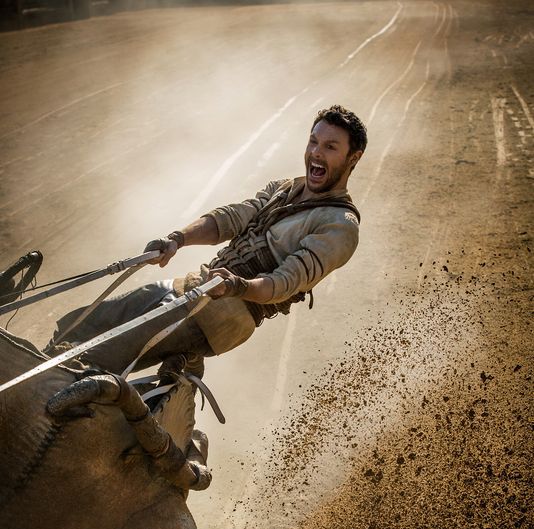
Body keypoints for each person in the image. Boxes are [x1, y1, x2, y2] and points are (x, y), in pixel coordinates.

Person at [49, 105, 367, 377]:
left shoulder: (340, 226)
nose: (316, 152)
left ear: (353, 157)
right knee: (78, 326)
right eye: (313, 141)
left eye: (330, 147)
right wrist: (177, 239)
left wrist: (237, 286)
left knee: (94, 355)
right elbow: (231, 219)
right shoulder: (284, 187)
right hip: (191, 286)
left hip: (225, 315)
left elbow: (284, 284)